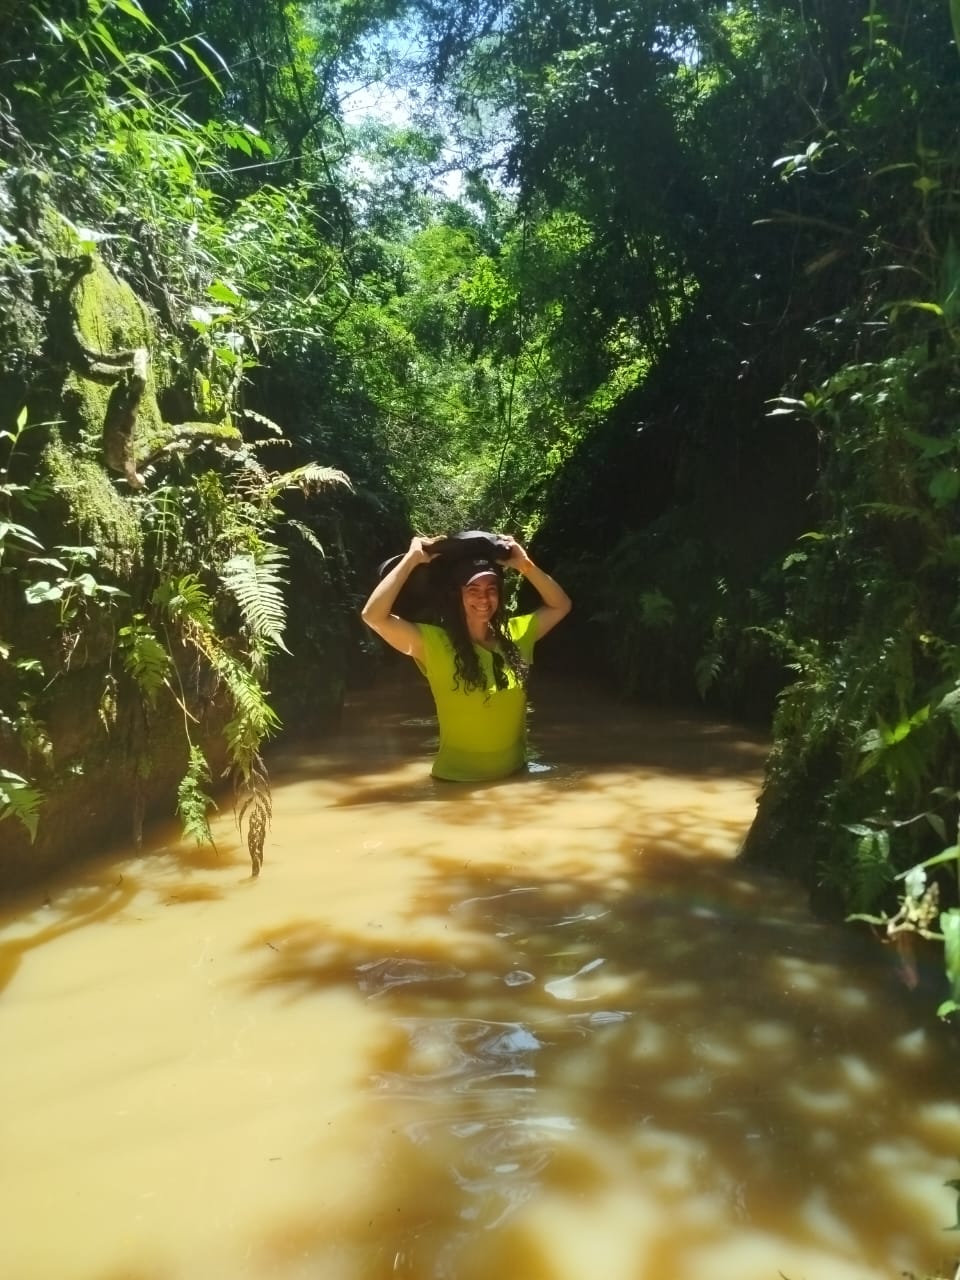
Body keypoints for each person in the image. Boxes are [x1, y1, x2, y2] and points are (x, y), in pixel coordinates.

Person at [361, 534, 572, 782]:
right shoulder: (434, 643)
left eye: (491, 589)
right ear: (457, 596)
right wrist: (412, 559)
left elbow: (561, 605)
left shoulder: (517, 634)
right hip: (454, 785)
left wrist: (525, 565)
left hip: (514, 780)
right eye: (473, 590)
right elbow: (373, 616)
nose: (484, 598)